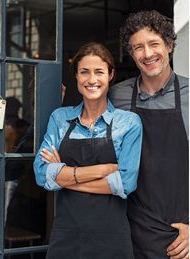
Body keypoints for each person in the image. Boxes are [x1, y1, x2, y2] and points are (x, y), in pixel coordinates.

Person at [33, 42, 143, 258]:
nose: (92, 80)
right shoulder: (60, 118)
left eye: (99, 72)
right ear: (76, 76)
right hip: (66, 237)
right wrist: (104, 170)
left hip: (111, 239)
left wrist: (65, 177)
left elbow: (126, 183)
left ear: (111, 74)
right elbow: (40, 174)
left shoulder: (129, 123)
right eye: (84, 72)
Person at [108, 10, 189, 259]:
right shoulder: (116, 96)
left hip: (178, 234)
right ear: (131, 54)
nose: (147, 54)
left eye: (154, 44)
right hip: (125, 227)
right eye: (138, 48)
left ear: (169, 45)